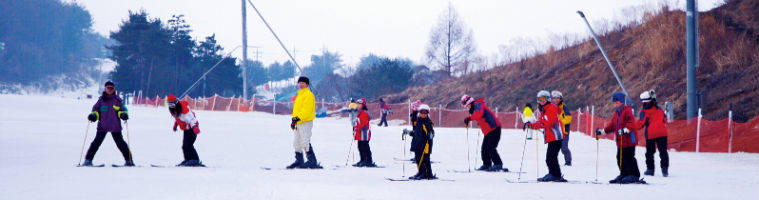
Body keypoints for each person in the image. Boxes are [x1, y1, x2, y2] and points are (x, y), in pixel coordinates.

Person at [83, 81, 133, 166]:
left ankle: (129, 161)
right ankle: (88, 160)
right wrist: (93, 116)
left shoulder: (118, 101)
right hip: (102, 126)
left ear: (114, 89)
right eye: (108, 88)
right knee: (96, 143)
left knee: (121, 144)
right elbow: (95, 110)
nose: (110, 90)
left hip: (115, 127)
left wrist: (123, 115)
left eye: (111, 88)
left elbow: (123, 110)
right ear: (105, 89)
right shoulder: (101, 100)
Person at [596, 92, 643, 184]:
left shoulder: (627, 111)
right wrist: (602, 132)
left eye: (617, 102)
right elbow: (612, 125)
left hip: (629, 139)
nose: (615, 104)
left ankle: (634, 174)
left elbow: (631, 123)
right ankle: (624, 173)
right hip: (620, 140)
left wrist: (625, 130)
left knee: (628, 157)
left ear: (622, 101)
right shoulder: (617, 112)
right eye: (614, 102)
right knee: (620, 157)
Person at [461, 94, 507, 172]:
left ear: (469, 103)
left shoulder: (478, 104)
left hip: (494, 128)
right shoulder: (475, 107)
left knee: (491, 147)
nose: (467, 107)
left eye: (467, 106)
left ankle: (498, 164)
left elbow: (480, 114)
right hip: (488, 131)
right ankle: (487, 164)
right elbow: (482, 117)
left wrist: (470, 118)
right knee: (484, 149)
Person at [528, 90, 567, 182]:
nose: (541, 101)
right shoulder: (544, 109)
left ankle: (555, 175)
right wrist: (531, 125)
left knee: (550, 157)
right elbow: (542, 122)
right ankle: (553, 173)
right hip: (551, 137)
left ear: (548, 99)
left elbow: (548, 122)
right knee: (550, 157)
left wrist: (534, 125)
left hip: (556, 136)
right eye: (539, 99)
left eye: (543, 99)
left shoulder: (551, 108)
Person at [287, 76, 322, 169]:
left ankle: (312, 161)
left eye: (303, 83)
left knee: (305, 141)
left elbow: (306, 111)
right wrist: (293, 120)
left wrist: (298, 118)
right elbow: (297, 110)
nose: (301, 84)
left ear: (307, 84)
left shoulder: (309, 95)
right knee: (296, 142)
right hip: (298, 122)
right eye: (299, 83)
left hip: (305, 121)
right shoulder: (299, 95)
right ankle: (299, 160)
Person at [638, 90, 669, 177]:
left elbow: (640, 123)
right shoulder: (659, 109)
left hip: (651, 134)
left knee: (649, 153)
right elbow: (665, 120)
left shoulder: (644, 111)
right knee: (663, 152)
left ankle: (650, 170)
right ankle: (664, 170)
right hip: (662, 133)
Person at [167, 94, 204, 167]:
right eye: (169, 104)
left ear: (176, 102)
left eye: (172, 104)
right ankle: (188, 160)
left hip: (192, 128)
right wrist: (175, 125)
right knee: (184, 146)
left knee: (188, 145)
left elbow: (191, 119)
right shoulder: (175, 109)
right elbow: (178, 118)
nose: (171, 106)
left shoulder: (184, 110)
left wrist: (195, 127)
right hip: (186, 129)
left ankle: (195, 160)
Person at [405, 104, 435, 179]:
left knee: (425, 159)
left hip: (425, 145)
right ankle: (421, 172)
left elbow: (431, 132)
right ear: (419, 112)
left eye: (425, 113)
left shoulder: (428, 122)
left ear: (427, 114)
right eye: (422, 112)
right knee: (418, 159)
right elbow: (415, 133)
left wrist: (431, 134)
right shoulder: (418, 122)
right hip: (417, 143)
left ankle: (427, 174)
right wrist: (408, 132)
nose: (423, 114)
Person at [352, 98, 377, 167]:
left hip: (364, 134)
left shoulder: (364, 113)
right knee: (360, 146)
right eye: (357, 104)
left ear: (363, 105)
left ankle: (368, 160)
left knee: (365, 147)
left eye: (359, 104)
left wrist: (356, 122)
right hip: (360, 134)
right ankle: (362, 160)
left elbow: (362, 123)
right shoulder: (358, 112)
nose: (358, 105)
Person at [551, 90, 573, 166]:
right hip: (556, 131)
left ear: (561, 99)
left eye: (558, 98)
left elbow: (568, 119)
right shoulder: (552, 108)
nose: (556, 100)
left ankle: (568, 161)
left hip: (564, 131)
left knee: (564, 147)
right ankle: (553, 162)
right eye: (554, 98)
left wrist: (559, 122)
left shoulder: (564, 108)